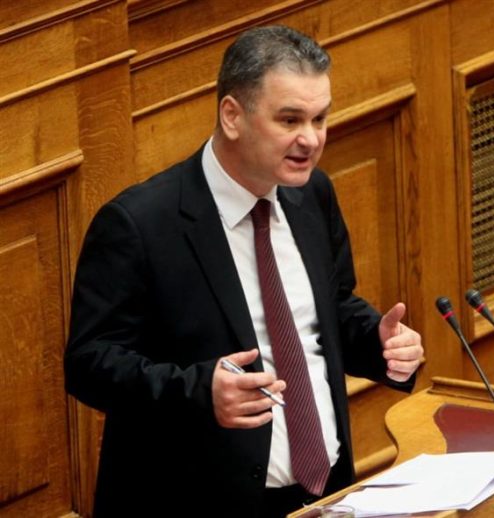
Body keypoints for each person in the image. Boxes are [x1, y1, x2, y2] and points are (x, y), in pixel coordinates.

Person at [64, 25, 423, 518]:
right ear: (232, 115)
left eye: (320, 118)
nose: (311, 139)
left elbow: (328, 310)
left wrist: (379, 343)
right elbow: (89, 363)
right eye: (290, 119)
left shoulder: (312, 194)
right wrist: (198, 393)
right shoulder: (140, 224)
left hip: (325, 495)